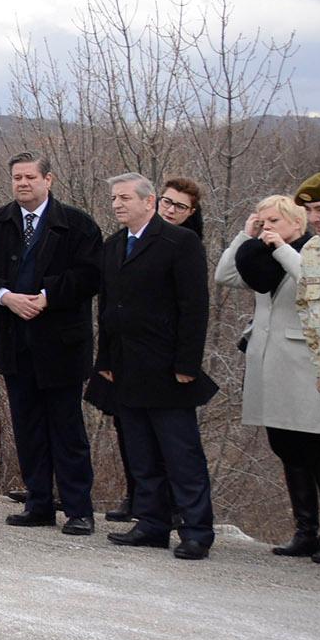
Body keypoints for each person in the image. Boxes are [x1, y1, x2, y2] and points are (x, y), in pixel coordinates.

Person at [0, 150, 101, 533]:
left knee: (66, 428)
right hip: (14, 341)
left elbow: (91, 275)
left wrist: (47, 296)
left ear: (48, 180)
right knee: (27, 427)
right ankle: (38, 502)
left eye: (29, 177)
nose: (22, 184)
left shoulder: (77, 225)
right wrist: (5, 296)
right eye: (17, 178)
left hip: (61, 345)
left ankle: (79, 510)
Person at [95, 173, 217, 558]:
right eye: (114, 198)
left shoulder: (180, 242)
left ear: (149, 202)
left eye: (125, 198)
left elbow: (194, 307)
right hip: (126, 365)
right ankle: (151, 523)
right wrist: (106, 360)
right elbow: (107, 308)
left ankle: (196, 530)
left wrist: (187, 363)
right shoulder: (113, 246)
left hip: (167, 367)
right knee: (141, 452)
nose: (117, 204)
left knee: (181, 454)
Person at [217, 192, 320, 562]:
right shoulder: (262, 256)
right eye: (262, 221)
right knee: (285, 446)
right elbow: (225, 275)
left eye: (274, 221)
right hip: (268, 359)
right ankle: (305, 532)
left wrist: (279, 246)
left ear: (298, 222)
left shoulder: (315, 250)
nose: (268, 228)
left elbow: (312, 283)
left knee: (319, 451)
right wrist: (244, 238)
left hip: (305, 364)